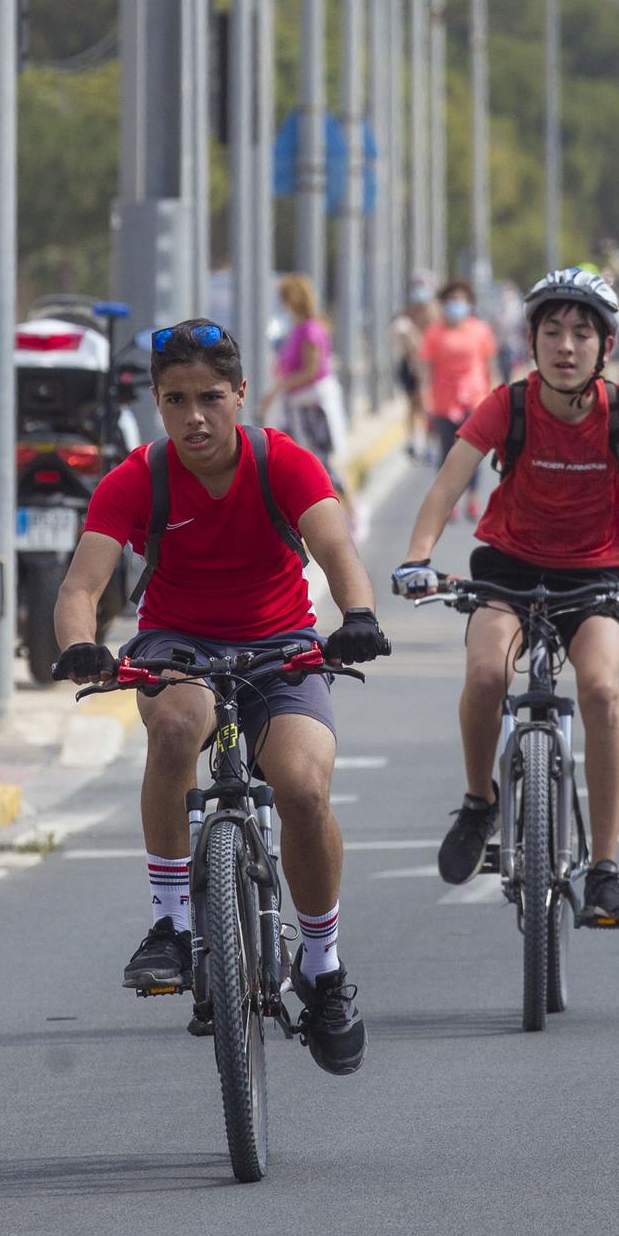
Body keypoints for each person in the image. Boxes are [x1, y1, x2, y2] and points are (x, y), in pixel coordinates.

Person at [51, 319, 390, 1076]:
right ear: (157, 403)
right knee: (177, 725)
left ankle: (324, 967)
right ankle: (170, 925)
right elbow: (82, 584)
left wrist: (358, 616)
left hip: (282, 650)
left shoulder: (284, 462)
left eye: (210, 397)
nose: (194, 416)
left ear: (241, 395)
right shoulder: (137, 477)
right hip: (176, 644)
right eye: (175, 400)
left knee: (303, 788)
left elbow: (337, 550)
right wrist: (79, 643)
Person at [393, 270, 619, 928]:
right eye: (551, 332)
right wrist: (417, 557)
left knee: (603, 691)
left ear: (604, 346)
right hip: (508, 568)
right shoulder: (510, 405)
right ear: (531, 340)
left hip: (595, 575)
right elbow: (445, 488)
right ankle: (478, 802)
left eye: (582, 334)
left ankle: (604, 870)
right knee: (486, 670)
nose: (565, 346)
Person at [262, 273, 361, 537]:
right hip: (299, 406)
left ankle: (351, 514)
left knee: (321, 463)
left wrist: (276, 390)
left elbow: (311, 370)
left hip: (313, 407)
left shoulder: (311, 330)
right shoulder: (298, 328)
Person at [420, 279, 499, 523]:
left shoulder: (480, 330)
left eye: (460, 300)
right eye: (451, 300)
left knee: (472, 454)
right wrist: (426, 402)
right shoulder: (434, 333)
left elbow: (489, 366)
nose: (456, 305)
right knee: (446, 454)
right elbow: (425, 369)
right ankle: (448, 501)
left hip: (474, 400)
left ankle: (472, 499)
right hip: (444, 402)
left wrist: (493, 399)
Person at [392, 272, 435, 460]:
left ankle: (428, 442)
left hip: (428, 365)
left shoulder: (434, 312)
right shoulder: (406, 313)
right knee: (412, 403)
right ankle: (412, 441)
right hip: (410, 365)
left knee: (425, 404)